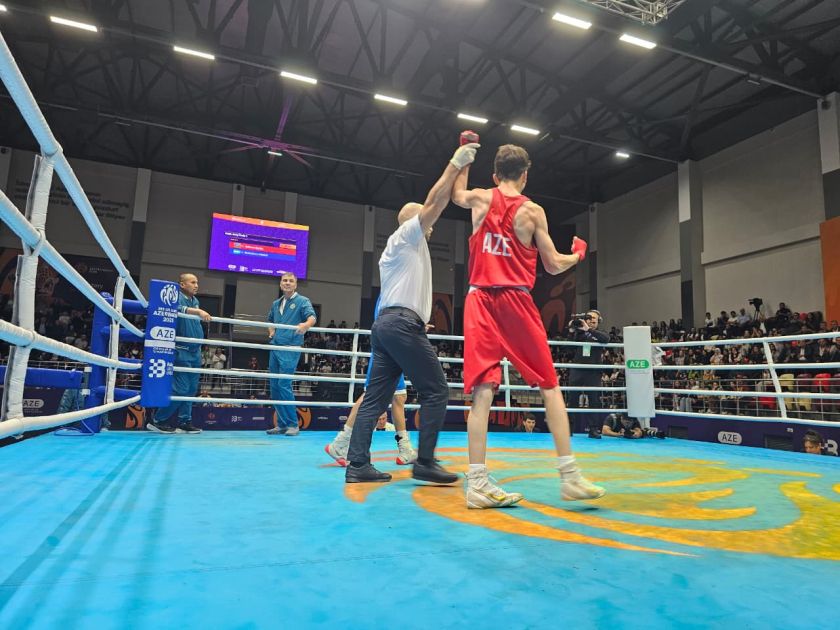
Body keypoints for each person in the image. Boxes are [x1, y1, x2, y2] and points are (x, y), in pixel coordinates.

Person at [452, 143, 604, 508]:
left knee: (483, 391)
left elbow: (456, 194)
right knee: (549, 386)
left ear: (495, 175)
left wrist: (464, 157)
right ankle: (569, 477)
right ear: (524, 175)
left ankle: (476, 483)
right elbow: (552, 264)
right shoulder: (532, 211)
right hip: (515, 301)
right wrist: (578, 255)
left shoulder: (480, 198)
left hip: (479, 299)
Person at [343, 141, 479, 484]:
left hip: (391, 325)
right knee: (437, 390)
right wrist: (456, 163)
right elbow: (435, 203)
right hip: (400, 326)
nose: (431, 224)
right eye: (424, 220)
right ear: (412, 221)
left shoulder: (406, 248)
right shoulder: (406, 235)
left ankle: (357, 465)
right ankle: (425, 462)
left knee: (375, 399)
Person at [325, 297, 418, 467]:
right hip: (389, 345)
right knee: (372, 395)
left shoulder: (393, 291)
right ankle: (340, 443)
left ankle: (405, 449)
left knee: (398, 397)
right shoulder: (392, 293)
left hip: (391, 344)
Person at [147, 273, 211, 434]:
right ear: (182, 284)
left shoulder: (195, 301)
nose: (196, 285)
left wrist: (197, 311)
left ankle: (185, 421)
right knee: (181, 389)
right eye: (193, 282)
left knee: (191, 390)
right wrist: (198, 312)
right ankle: (158, 420)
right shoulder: (174, 297)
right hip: (181, 350)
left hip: (196, 351)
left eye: (197, 282)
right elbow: (172, 309)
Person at [266, 272, 316, 436]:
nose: (287, 283)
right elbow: (270, 320)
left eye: (291, 281)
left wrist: (305, 325)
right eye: (285, 280)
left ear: (295, 284)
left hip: (291, 347)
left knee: (283, 384)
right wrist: (271, 331)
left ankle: (293, 424)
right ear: (281, 284)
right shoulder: (276, 303)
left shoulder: (302, 301)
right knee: (274, 387)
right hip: (275, 347)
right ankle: (281, 424)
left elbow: (312, 317)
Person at [567, 310, 610, 437]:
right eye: (589, 317)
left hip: (593, 371)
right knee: (573, 399)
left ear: (599, 321)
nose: (591, 320)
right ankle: (569, 428)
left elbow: (606, 339)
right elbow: (568, 349)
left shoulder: (601, 333)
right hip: (577, 369)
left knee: (593, 400)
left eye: (594, 318)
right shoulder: (579, 333)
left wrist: (589, 330)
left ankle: (593, 429)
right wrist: (571, 331)